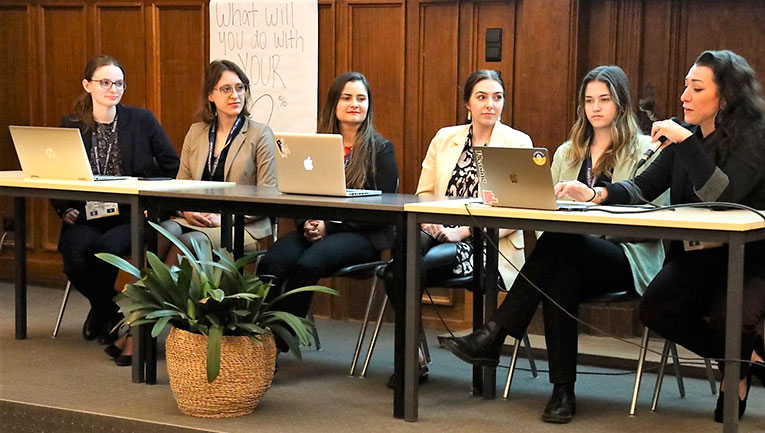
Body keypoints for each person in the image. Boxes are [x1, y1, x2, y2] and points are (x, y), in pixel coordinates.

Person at [555, 50, 765, 422]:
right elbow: (642, 188)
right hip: (699, 256)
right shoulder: (690, 137)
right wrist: (597, 194)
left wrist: (685, 142)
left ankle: (737, 375)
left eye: (696, 88)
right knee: (655, 309)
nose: (684, 96)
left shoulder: (754, 136)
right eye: (685, 86)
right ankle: (746, 357)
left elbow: (723, 198)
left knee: (731, 318)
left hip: (754, 258)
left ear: (725, 97)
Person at [439, 65, 665, 423]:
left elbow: (655, 215)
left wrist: (592, 205)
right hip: (571, 257)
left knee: (563, 240)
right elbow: (544, 211)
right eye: (589, 100)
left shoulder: (644, 150)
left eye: (604, 99)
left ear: (621, 104)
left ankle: (494, 335)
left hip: (626, 257)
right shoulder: (567, 152)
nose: (596, 108)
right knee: (561, 270)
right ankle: (562, 392)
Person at [383, 69, 532, 387]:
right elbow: (423, 193)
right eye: (481, 97)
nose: (490, 104)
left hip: (485, 243)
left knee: (400, 272)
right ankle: (414, 354)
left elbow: (515, 210)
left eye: (497, 97)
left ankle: (409, 358)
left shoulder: (517, 142)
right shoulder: (445, 138)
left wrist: (462, 232)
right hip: (436, 229)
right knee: (404, 247)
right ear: (468, 104)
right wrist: (432, 221)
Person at [256, 72, 398, 350]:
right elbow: (298, 189)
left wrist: (328, 226)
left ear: (369, 105)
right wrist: (307, 222)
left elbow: (383, 208)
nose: (354, 104)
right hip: (316, 229)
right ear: (334, 103)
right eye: (346, 98)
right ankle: (255, 334)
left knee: (308, 264)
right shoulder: (316, 146)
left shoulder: (381, 150)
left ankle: (277, 343)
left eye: (361, 98)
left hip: (362, 235)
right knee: (273, 261)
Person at [53, 55, 179, 365]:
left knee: (105, 249)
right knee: (74, 257)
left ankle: (102, 315)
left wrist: (147, 193)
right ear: (88, 85)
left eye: (119, 83)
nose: (113, 89)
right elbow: (55, 173)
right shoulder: (71, 124)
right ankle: (109, 312)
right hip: (85, 213)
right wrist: (64, 209)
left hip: (129, 213)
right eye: (105, 82)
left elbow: (172, 166)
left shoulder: (141, 120)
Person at [161, 59, 276, 256]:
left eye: (240, 88)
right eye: (226, 89)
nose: (235, 95)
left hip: (242, 226)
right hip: (197, 219)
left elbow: (268, 195)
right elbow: (181, 185)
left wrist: (223, 220)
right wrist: (188, 212)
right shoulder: (196, 132)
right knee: (164, 231)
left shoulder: (260, 134)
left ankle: (158, 288)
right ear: (211, 96)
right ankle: (152, 287)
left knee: (190, 242)